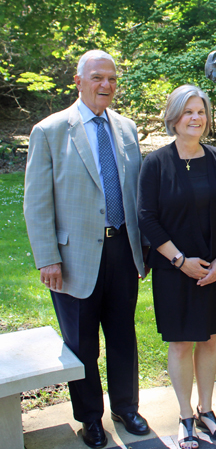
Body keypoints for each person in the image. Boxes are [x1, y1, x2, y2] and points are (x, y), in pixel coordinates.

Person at [24, 50, 150, 449]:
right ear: (78, 81)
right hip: (72, 259)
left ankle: (126, 408)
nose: (106, 85)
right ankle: (90, 418)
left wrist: (142, 250)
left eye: (112, 79)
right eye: (97, 78)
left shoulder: (127, 129)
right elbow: (36, 202)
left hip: (122, 252)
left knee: (122, 335)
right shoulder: (50, 131)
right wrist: (48, 257)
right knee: (81, 343)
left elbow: (135, 194)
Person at [137, 85, 216, 449]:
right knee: (182, 342)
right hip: (174, 270)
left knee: (209, 338)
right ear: (173, 118)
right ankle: (185, 415)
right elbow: (147, 219)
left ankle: (206, 410)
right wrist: (181, 261)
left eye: (201, 112)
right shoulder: (156, 164)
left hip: (215, 269)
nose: (196, 118)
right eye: (188, 112)